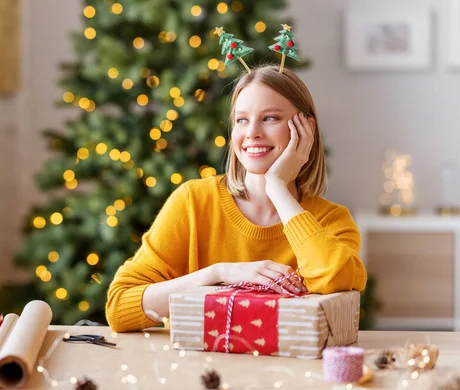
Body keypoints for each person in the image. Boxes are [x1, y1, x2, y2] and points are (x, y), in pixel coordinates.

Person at [106, 65, 367, 333]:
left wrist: (276, 187)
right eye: (242, 120)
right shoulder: (193, 201)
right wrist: (217, 274)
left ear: (305, 129)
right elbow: (119, 308)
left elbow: (337, 278)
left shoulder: (331, 220)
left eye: (270, 118)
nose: (252, 132)